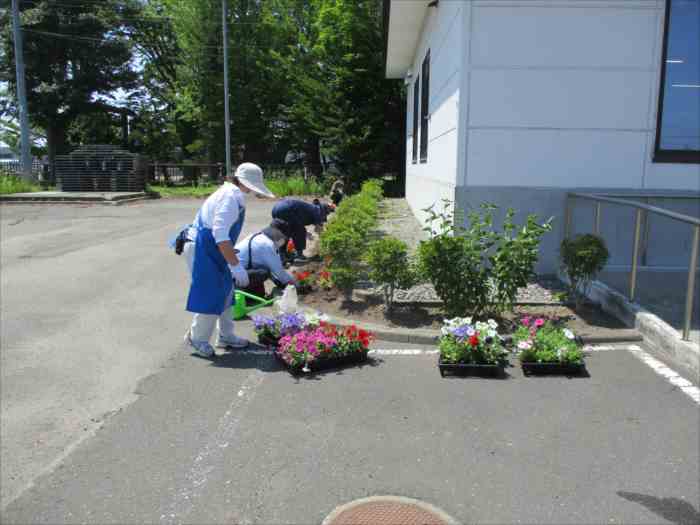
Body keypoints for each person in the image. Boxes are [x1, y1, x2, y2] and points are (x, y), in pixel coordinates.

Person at [178, 162, 276, 358]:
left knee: (227, 290)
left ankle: (226, 335)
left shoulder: (234, 194)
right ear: (245, 183)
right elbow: (220, 234)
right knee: (211, 293)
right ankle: (196, 338)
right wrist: (236, 265)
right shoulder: (230, 197)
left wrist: (232, 261)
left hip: (212, 246)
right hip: (202, 246)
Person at [235, 218, 296, 298]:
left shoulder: (260, 237)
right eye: (284, 237)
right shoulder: (267, 245)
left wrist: (277, 281)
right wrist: (294, 284)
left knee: (262, 272)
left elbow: (271, 268)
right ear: (280, 235)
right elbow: (279, 271)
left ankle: (252, 297)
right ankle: (241, 293)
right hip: (235, 277)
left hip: (235, 272)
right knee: (263, 272)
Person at [271, 198, 333, 262]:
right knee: (300, 231)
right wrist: (327, 243)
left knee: (284, 232)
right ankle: (299, 255)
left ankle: (282, 255)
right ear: (325, 212)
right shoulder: (318, 212)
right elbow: (319, 230)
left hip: (276, 208)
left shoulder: (313, 207)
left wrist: (307, 233)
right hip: (287, 210)